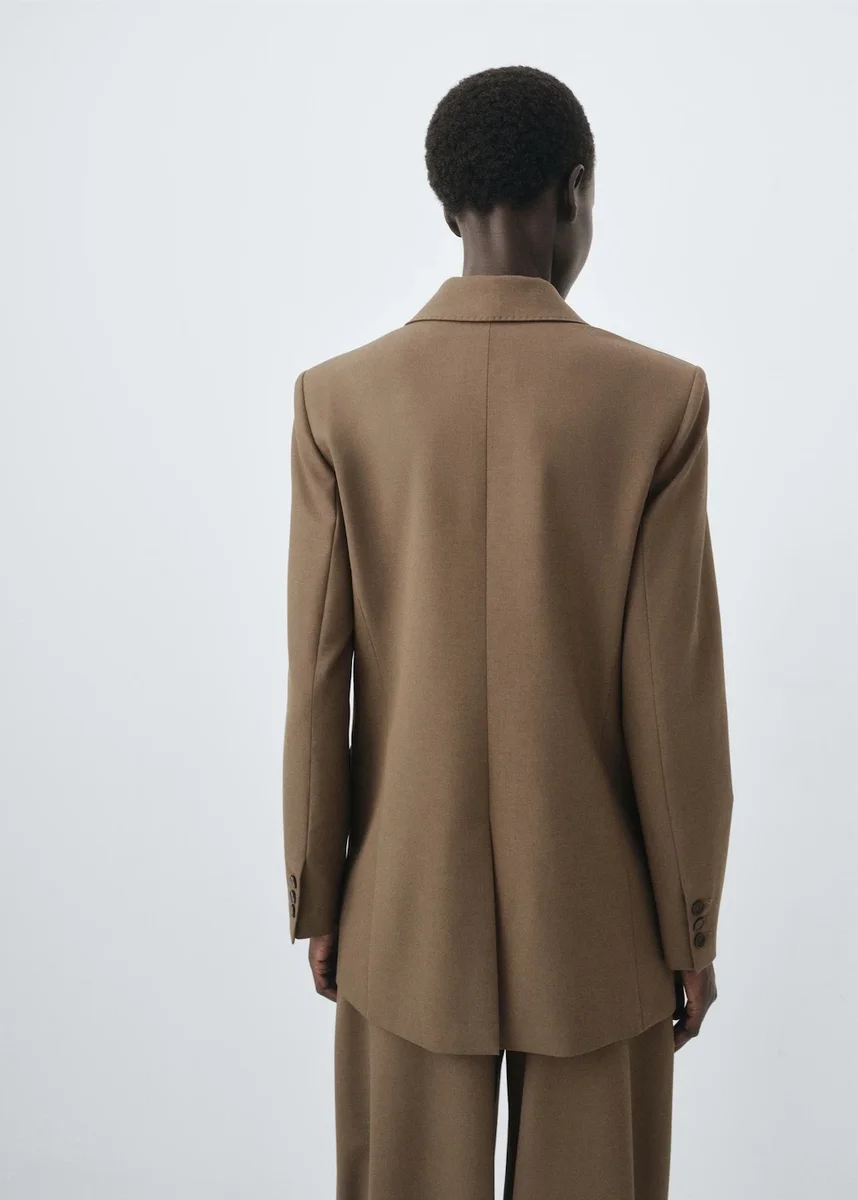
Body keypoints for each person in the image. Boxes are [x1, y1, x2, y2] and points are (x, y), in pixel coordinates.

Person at [282, 64, 733, 1200]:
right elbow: (671, 699)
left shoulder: (338, 401)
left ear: (450, 208)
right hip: (601, 926)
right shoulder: (658, 401)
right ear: (575, 191)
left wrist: (320, 896)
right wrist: (690, 926)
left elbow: (319, 671)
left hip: (400, 916)